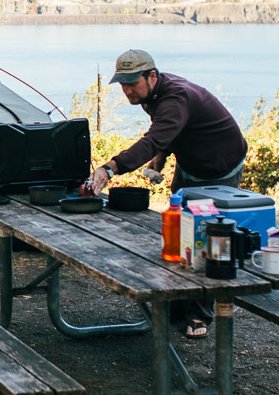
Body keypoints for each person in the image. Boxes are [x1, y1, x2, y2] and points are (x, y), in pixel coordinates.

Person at [86, 49, 248, 339]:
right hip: (191, 163)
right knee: (179, 233)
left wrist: (110, 168)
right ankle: (176, 303)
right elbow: (169, 131)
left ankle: (200, 314)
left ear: (151, 76)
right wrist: (161, 157)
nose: (127, 91)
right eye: (122, 85)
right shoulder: (152, 95)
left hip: (219, 166)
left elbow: (155, 137)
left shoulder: (176, 97)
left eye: (132, 83)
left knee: (205, 238)